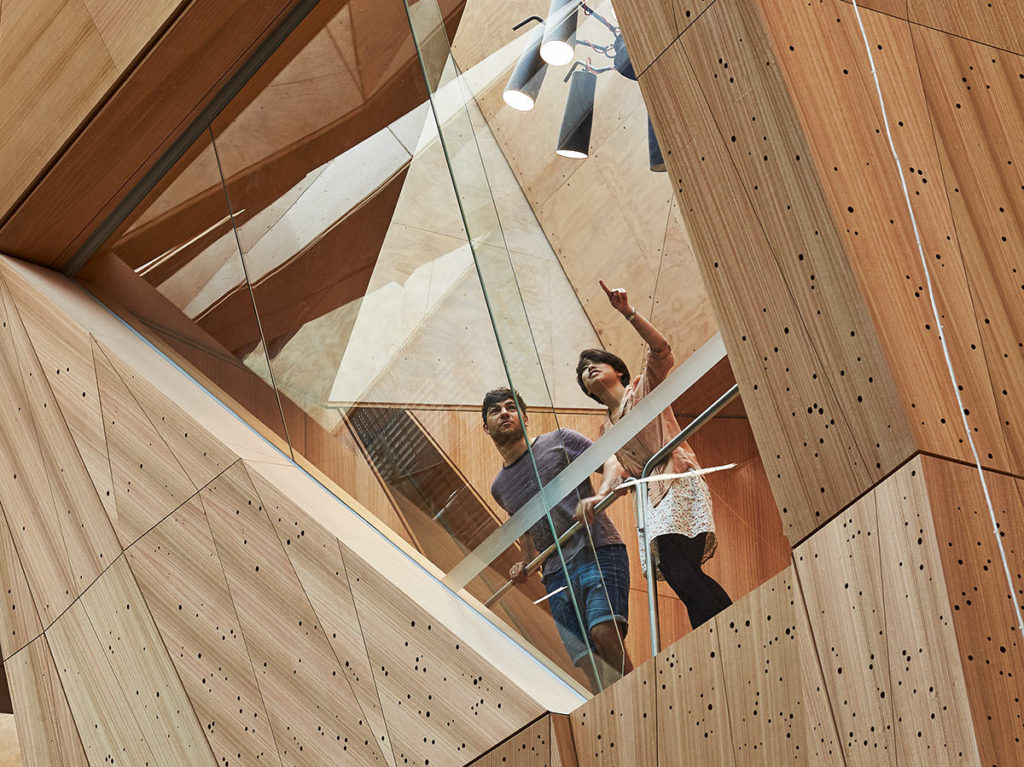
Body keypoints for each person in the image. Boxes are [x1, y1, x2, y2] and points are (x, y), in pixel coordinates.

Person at [575, 281, 732, 630]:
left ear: (618, 369)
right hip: (651, 503)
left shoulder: (642, 387)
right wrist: (598, 498)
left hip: (675, 480)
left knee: (680, 569)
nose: (589, 368)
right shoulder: (607, 432)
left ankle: (727, 626)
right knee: (680, 576)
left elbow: (661, 350)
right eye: (584, 371)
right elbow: (614, 470)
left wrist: (627, 312)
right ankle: (716, 631)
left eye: (595, 362)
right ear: (588, 391)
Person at [482, 387, 633, 689]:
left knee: (605, 634)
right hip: (554, 575)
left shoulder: (559, 440)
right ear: (486, 427)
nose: (505, 413)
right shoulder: (499, 487)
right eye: (496, 411)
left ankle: (645, 706)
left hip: (596, 549)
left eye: (511, 407)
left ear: (524, 416)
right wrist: (524, 563)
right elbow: (526, 527)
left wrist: (600, 495)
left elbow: (613, 462)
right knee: (588, 663)